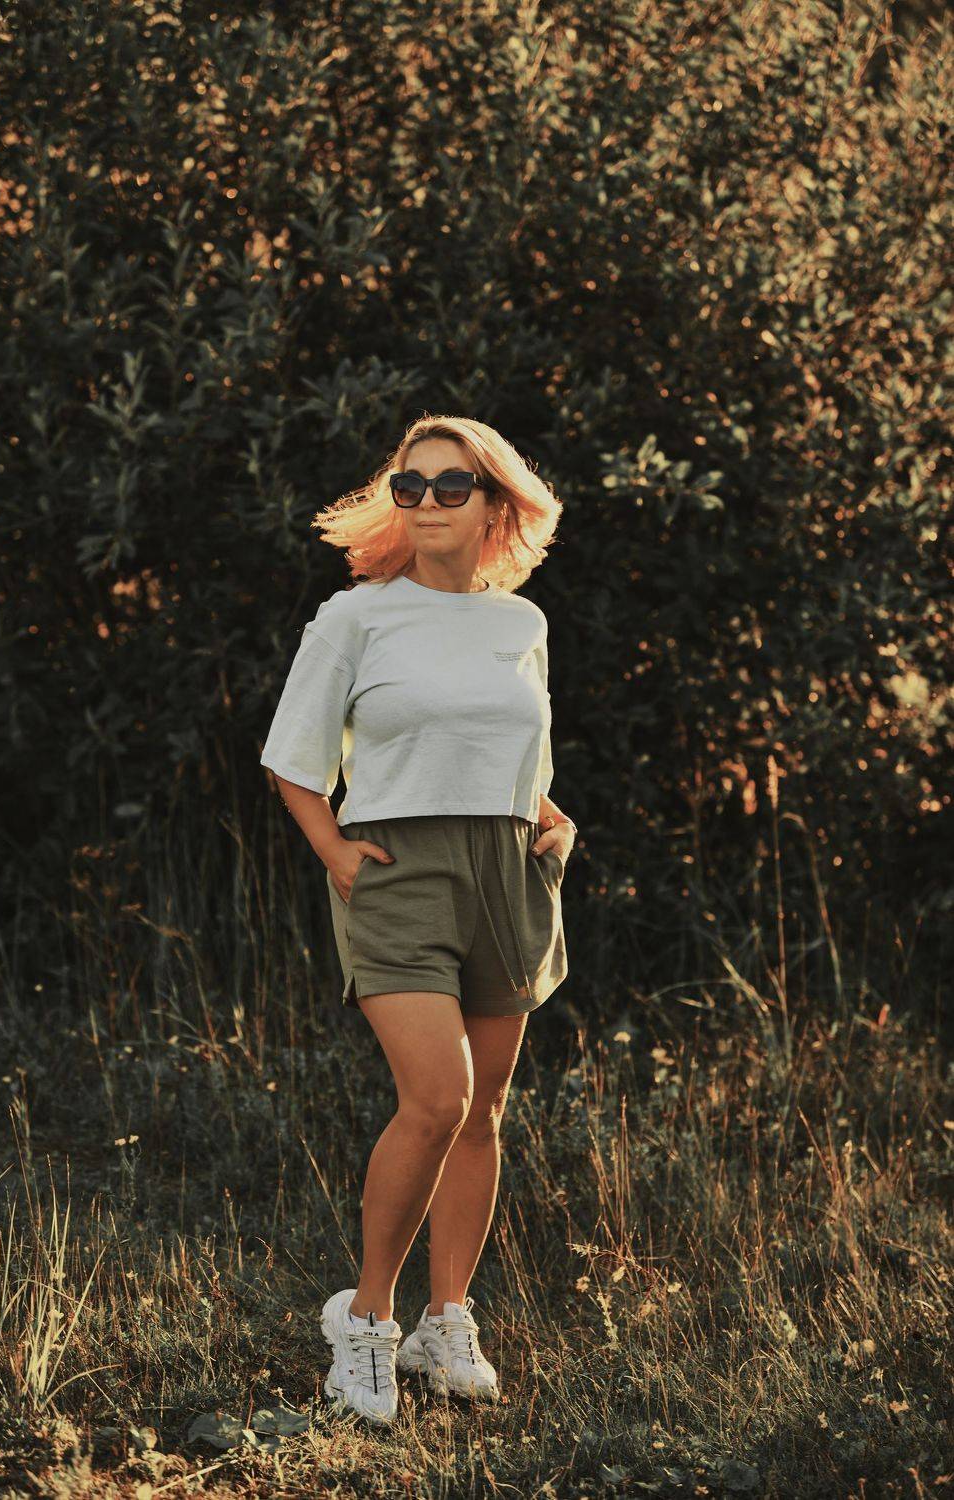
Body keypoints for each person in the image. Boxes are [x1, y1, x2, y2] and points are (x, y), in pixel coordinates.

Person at [259, 415, 577, 1425]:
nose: (429, 501)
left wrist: (552, 820)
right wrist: (335, 852)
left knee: (485, 1112)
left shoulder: (520, 624)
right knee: (439, 1097)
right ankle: (364, 1323)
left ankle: (448, 1322)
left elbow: (515, 750)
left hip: (509, 873)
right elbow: (293, 759)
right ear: (394, 501)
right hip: (395, 870)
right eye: (411, 485)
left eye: (452, 485)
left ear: (494, 506)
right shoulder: (356, 617)